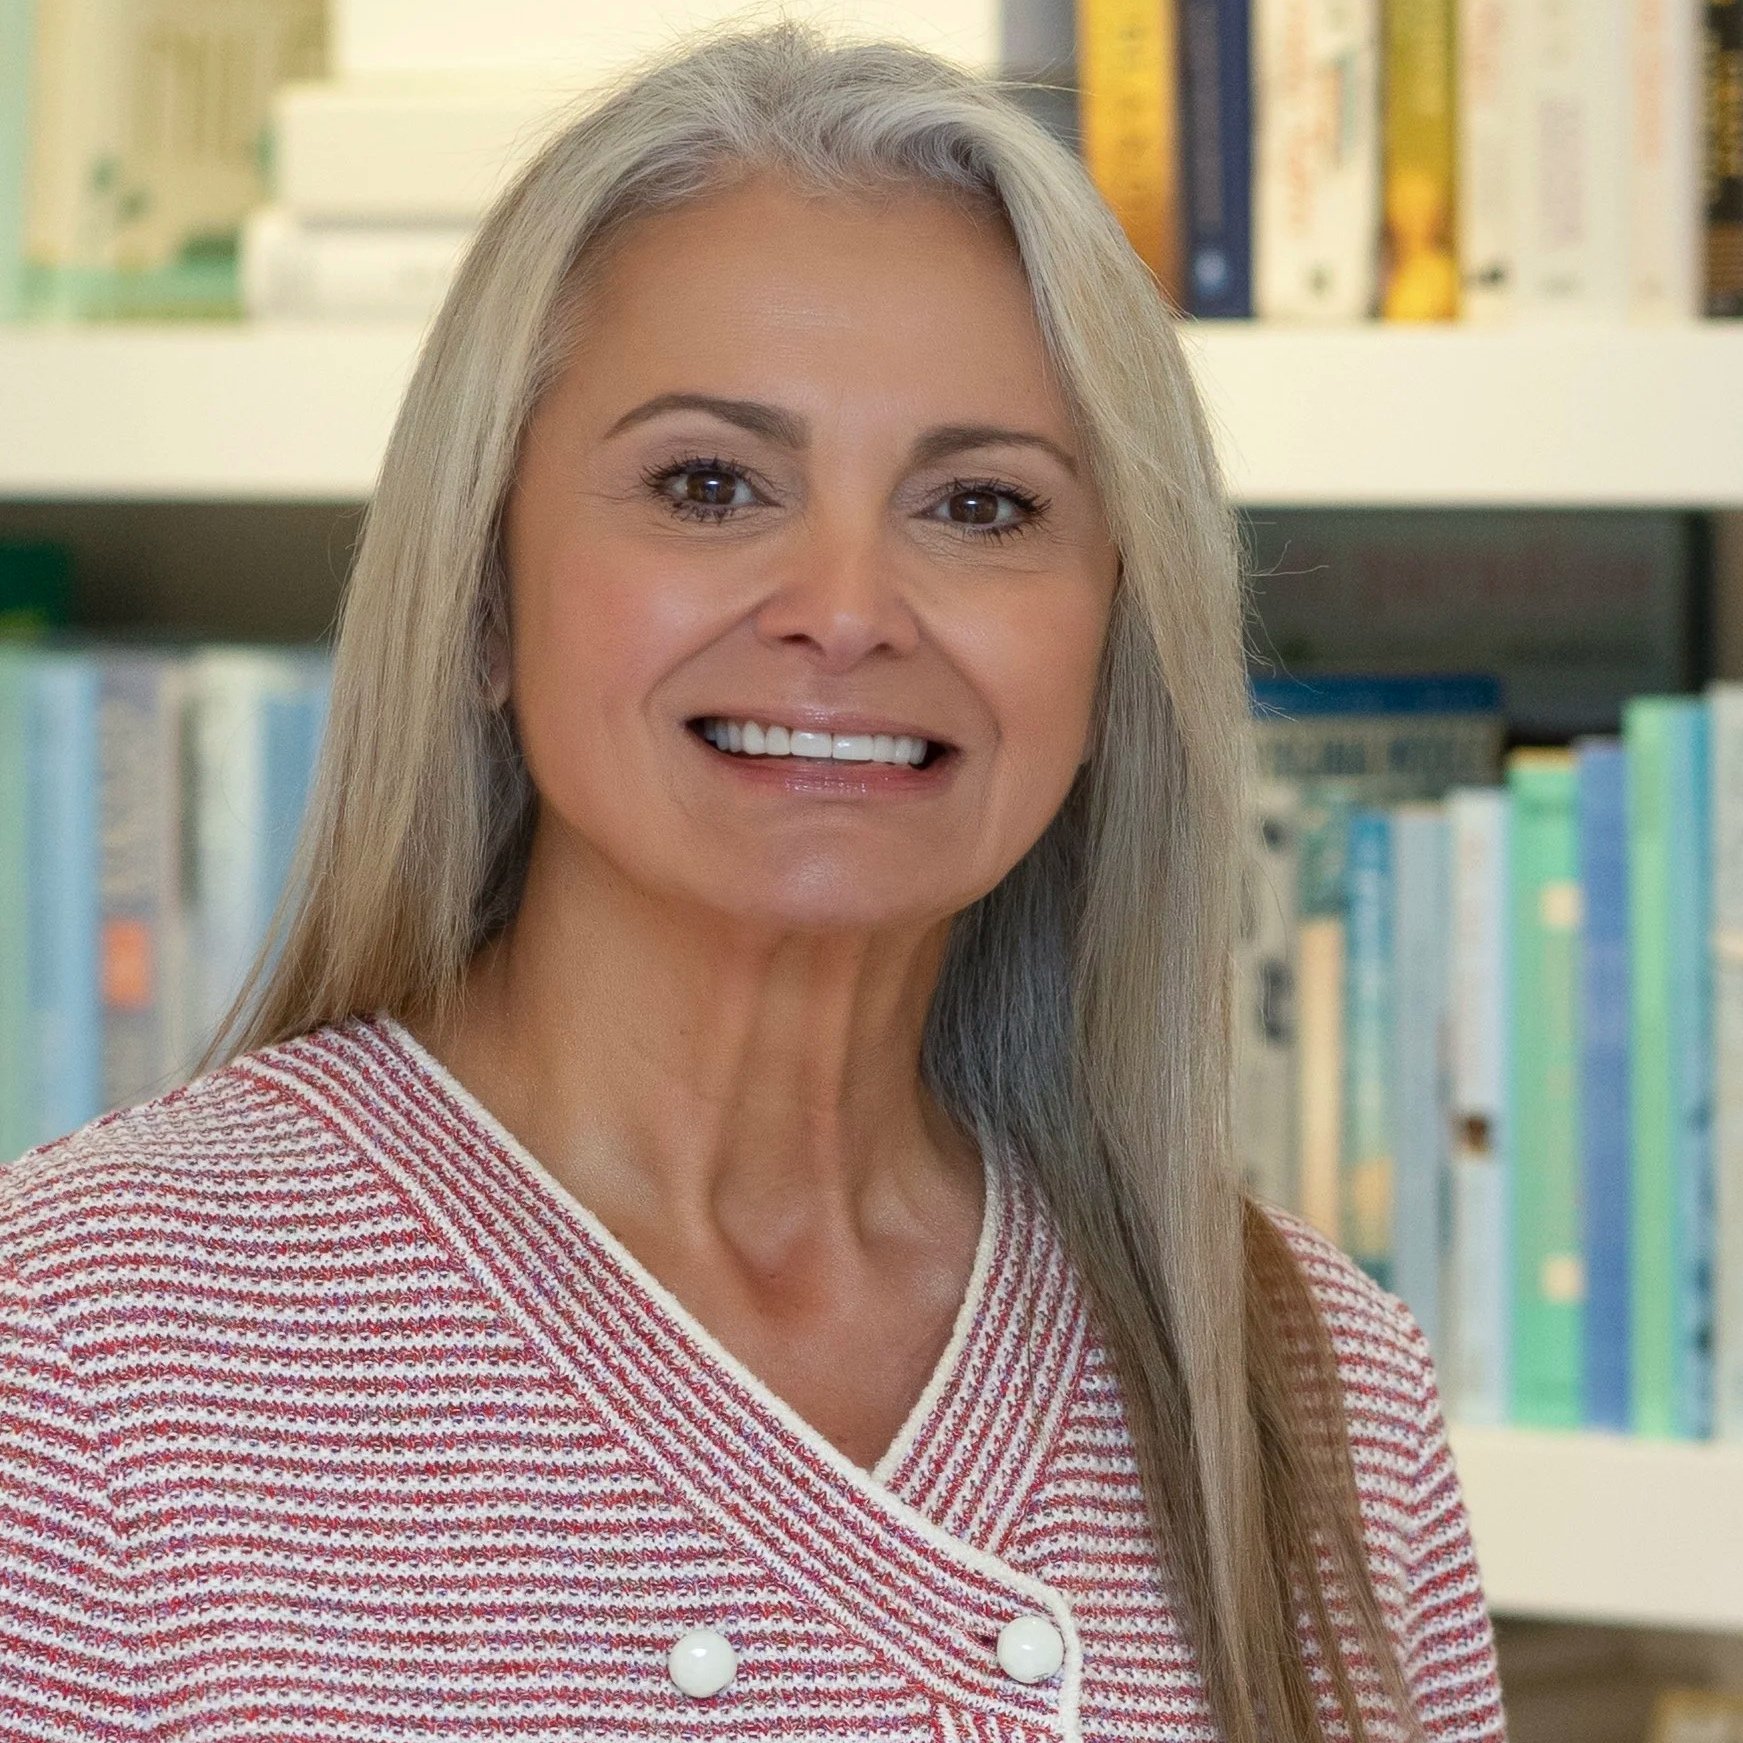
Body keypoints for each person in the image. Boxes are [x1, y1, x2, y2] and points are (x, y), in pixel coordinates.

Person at [0, 23, 1504, 1742]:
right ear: (483, 597)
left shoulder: (1315, 1396)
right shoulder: (75, 1349)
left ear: (1115, 637)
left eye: (984, 506)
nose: (847, 605)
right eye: (710, 485)